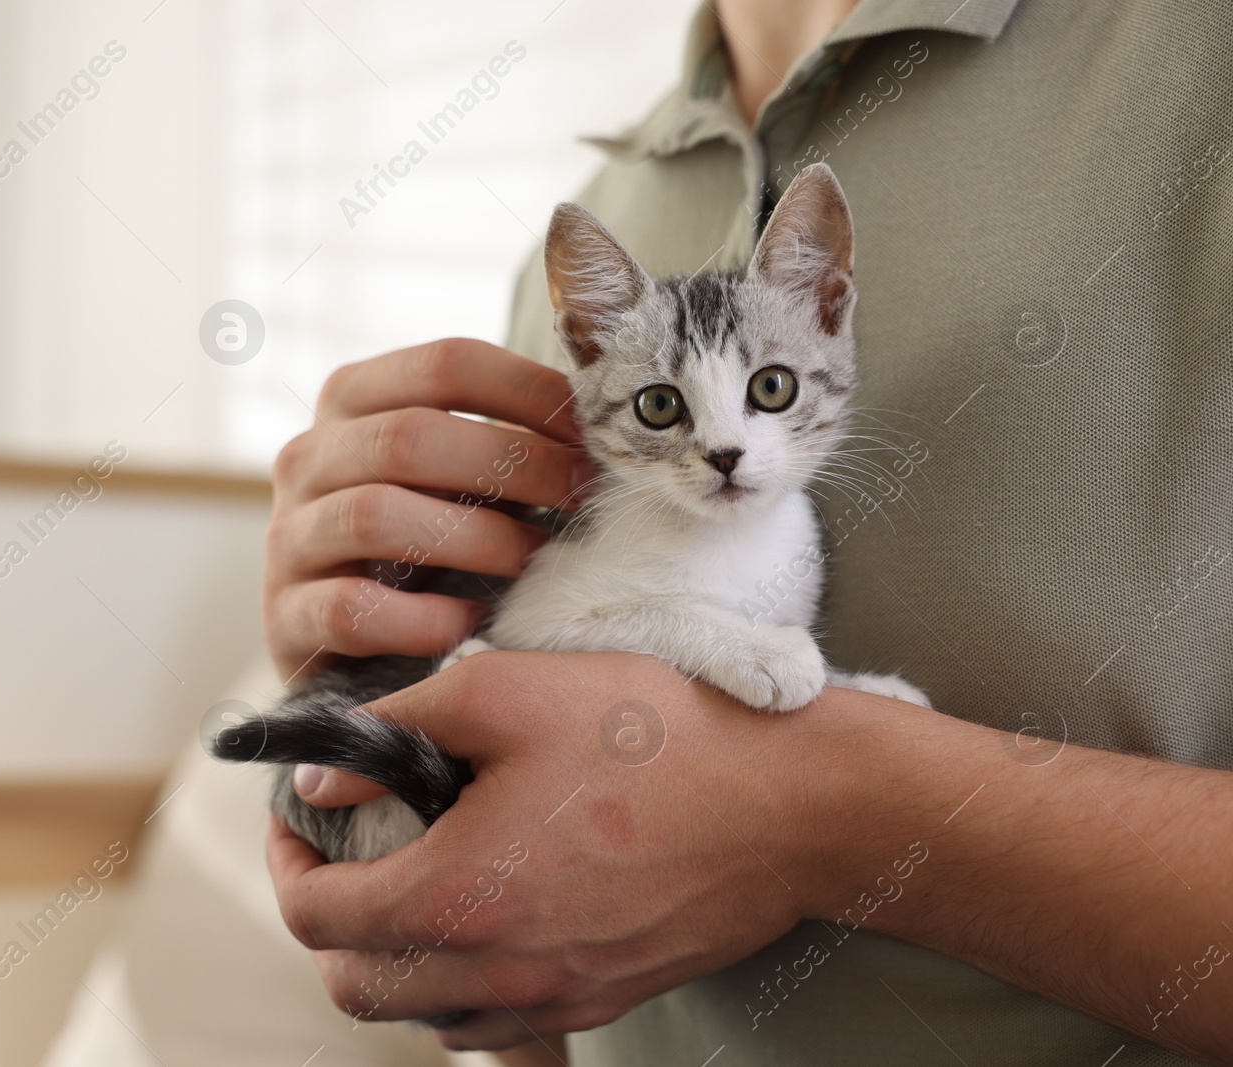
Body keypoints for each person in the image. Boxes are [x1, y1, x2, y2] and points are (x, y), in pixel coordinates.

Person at [259, 0, 1233, 1062]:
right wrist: (382, 662)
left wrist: (822, 812)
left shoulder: (1188, 59)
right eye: (672, 409)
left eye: (766, 391)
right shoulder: (602, 204)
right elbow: (522, 991)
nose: (725, 448)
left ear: (828, 302)